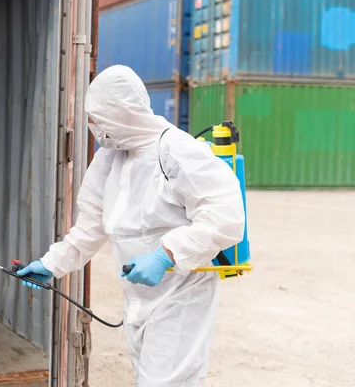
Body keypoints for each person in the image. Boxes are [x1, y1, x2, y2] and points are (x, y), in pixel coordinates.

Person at [18, 65, 245, 386]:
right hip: (137, 299)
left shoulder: (177, 150)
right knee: (147, 379)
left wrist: (166, 254)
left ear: (122, 113)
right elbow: (91, 224)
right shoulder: (111, 157)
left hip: (181, 293)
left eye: (98, 117)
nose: (93, 126)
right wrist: (51, 264)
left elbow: (226, 215)